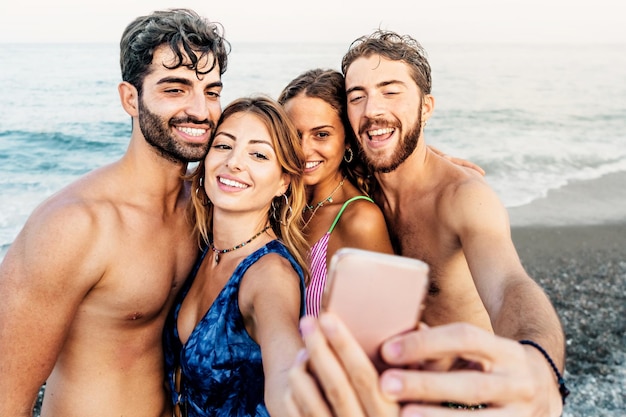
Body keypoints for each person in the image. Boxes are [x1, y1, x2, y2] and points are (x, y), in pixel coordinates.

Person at [284, 30, 567, 416]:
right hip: (397, 396)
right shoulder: (360, 178)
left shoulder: (464, 197)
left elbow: (508, 284)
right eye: (357, 97)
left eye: (391, 90)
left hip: (471, 401)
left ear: (426, 106)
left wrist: (539, 363)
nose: (372, 109)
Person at [0, 9, 229, 417]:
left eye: (211, 91)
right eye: (175, 89)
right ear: (130, 98)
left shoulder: (205, 206)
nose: (201, 110)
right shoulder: (74, 225)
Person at [163, 96, 309, 417]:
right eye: (224, 146)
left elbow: (286, 369)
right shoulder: (205, 246)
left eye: (258, 154)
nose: (234, 163)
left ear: (283, 181)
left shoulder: (270, 274)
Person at [277, 68, 394, 316]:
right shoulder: (277, 201)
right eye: (293, 135)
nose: (303, 150)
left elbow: (386, 322)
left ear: (348, 139)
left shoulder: (360, 219)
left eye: (321, 135)